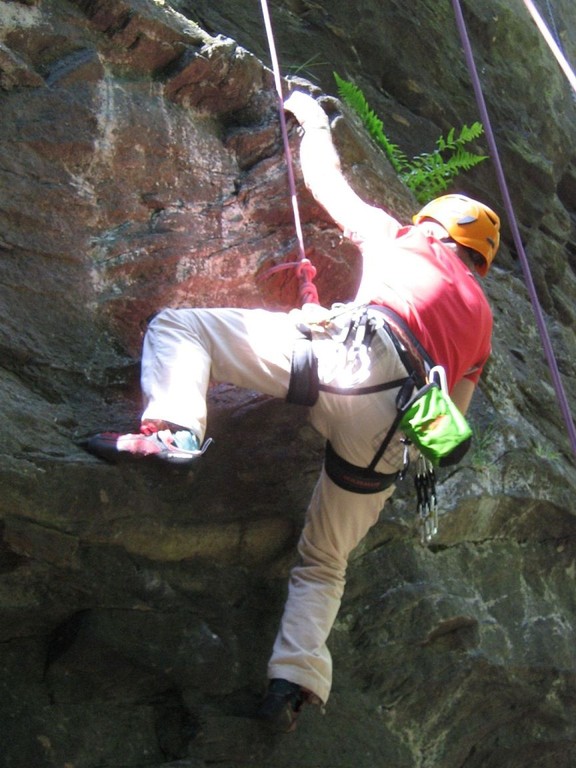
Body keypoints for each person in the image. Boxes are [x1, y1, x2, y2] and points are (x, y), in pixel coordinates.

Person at [87, 90, 500, 732]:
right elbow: (455, 414)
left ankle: (173, 429)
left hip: (343, 365)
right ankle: (294, 682)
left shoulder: (403, 240)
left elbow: (326, 184)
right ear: (480, 259)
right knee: (325, 561)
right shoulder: (484, 322)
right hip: (393, 431)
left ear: (435, 227)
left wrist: (312, 121)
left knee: (180, 328)